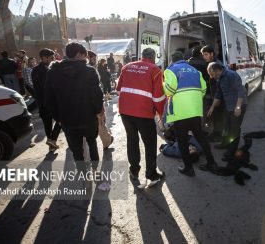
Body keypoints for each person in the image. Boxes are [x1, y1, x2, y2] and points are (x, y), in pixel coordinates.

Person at [45, 43, 104, 174]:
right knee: (92, 143)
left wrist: (58, 118)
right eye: (84, 55)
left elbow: (49, 99)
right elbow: (96, 95)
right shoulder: (89, 71)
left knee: (76, 149)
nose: (86, 58)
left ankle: (83, 173)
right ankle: (95, 170)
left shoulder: (53, 72)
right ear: (79, 54)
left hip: (67, 119)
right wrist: (99, 111)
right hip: (88, 117)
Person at [164, 51, 218, 177]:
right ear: (183, 59)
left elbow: (170, 89)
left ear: (172, 60)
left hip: (181, 111)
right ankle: (211, 162)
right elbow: (203, 89)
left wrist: (164, 86)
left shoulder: (170, 70)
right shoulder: (195, 70)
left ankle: (188, 168)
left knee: (182, 141)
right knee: (200, 137)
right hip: (195, 110)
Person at [116, 48, 165, 184]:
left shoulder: (126, 67)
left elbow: (118, 89)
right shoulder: (155, 70)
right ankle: (151, 174)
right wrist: (160, 113)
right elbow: (158, 97)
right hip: (144, 113)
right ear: (154, 57)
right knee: (150, 144)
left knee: (132, 141)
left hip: (125, 112)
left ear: (141, 56)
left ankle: (134, 171)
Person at [207, 62, 247, 156]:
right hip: (229, 106)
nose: (211, 77)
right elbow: (218, 94)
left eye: (212, 74)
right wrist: (212, 107)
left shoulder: (231, 75)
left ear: (217, 71)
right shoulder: (219, 78)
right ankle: (225, 144)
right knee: (227, 127)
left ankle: (232, 151)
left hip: (238, 106)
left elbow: (241, 91)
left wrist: (238, 107)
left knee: (234, 129)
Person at [31, 49, 62, 151]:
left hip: (48, 100)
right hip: (46, 101)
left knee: (58, 120)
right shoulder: (37, 70)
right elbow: (44, 86)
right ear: (44, 58)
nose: (53, 59)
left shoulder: (51, 68)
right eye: (51, 58)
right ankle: (52, 141)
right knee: (54, 121)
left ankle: (51, 141)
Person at [201, 45, 224, 142]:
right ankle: (216, 133)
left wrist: (216, 98)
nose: (204, 57)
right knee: (215, 114)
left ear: (211, 54)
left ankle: (218, 135)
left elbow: (220, 83)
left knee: (218, 115)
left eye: (206, 54)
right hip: (215, 93)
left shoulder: (216, 64)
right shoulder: (211, 63)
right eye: (203, 55)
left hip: (219, 95)